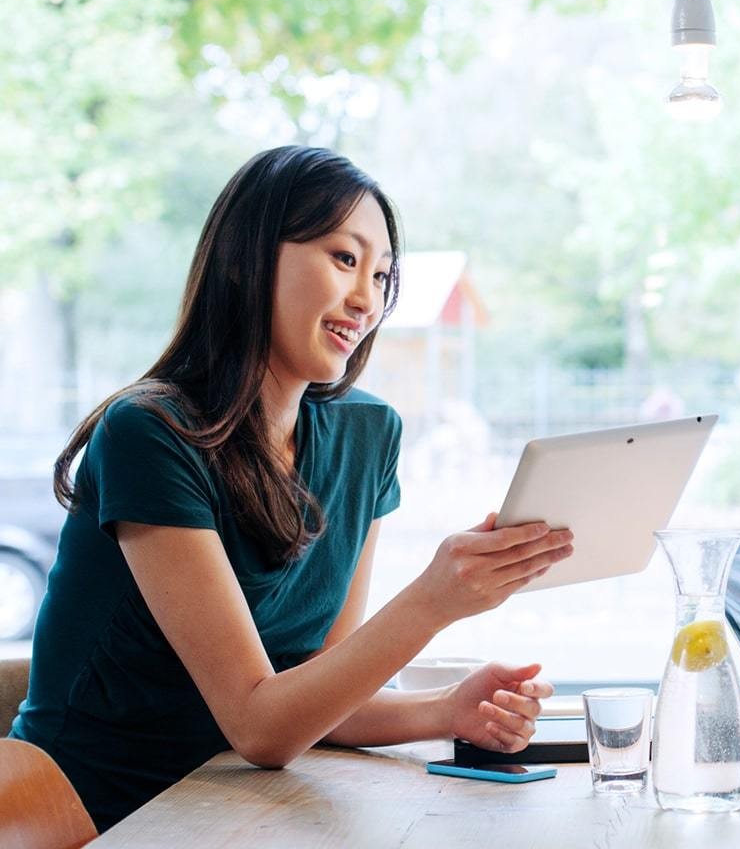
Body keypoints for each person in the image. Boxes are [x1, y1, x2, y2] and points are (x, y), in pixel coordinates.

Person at [8, 146, 575, 830]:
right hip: (84, 811)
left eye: (382, 275)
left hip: (225, 805)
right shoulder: (150, 434)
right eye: (344, 258)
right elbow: (259, 725)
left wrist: (448, 707)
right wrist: (435, 600)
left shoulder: (367, 436)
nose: (366, 299)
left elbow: (319, 691)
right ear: (249, 258)